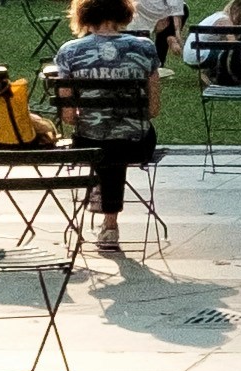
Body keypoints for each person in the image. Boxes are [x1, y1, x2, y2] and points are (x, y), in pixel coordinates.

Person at [49, 0, 162, 253]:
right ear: (123, 14)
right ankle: (110, 224)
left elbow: (68, 116)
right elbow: (153, 109)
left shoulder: (69, 51)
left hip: (89, 144)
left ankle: (105, 209)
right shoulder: (144, 48)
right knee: (116, 145)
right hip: (136, 143)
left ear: (84, 16)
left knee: (103, 144)